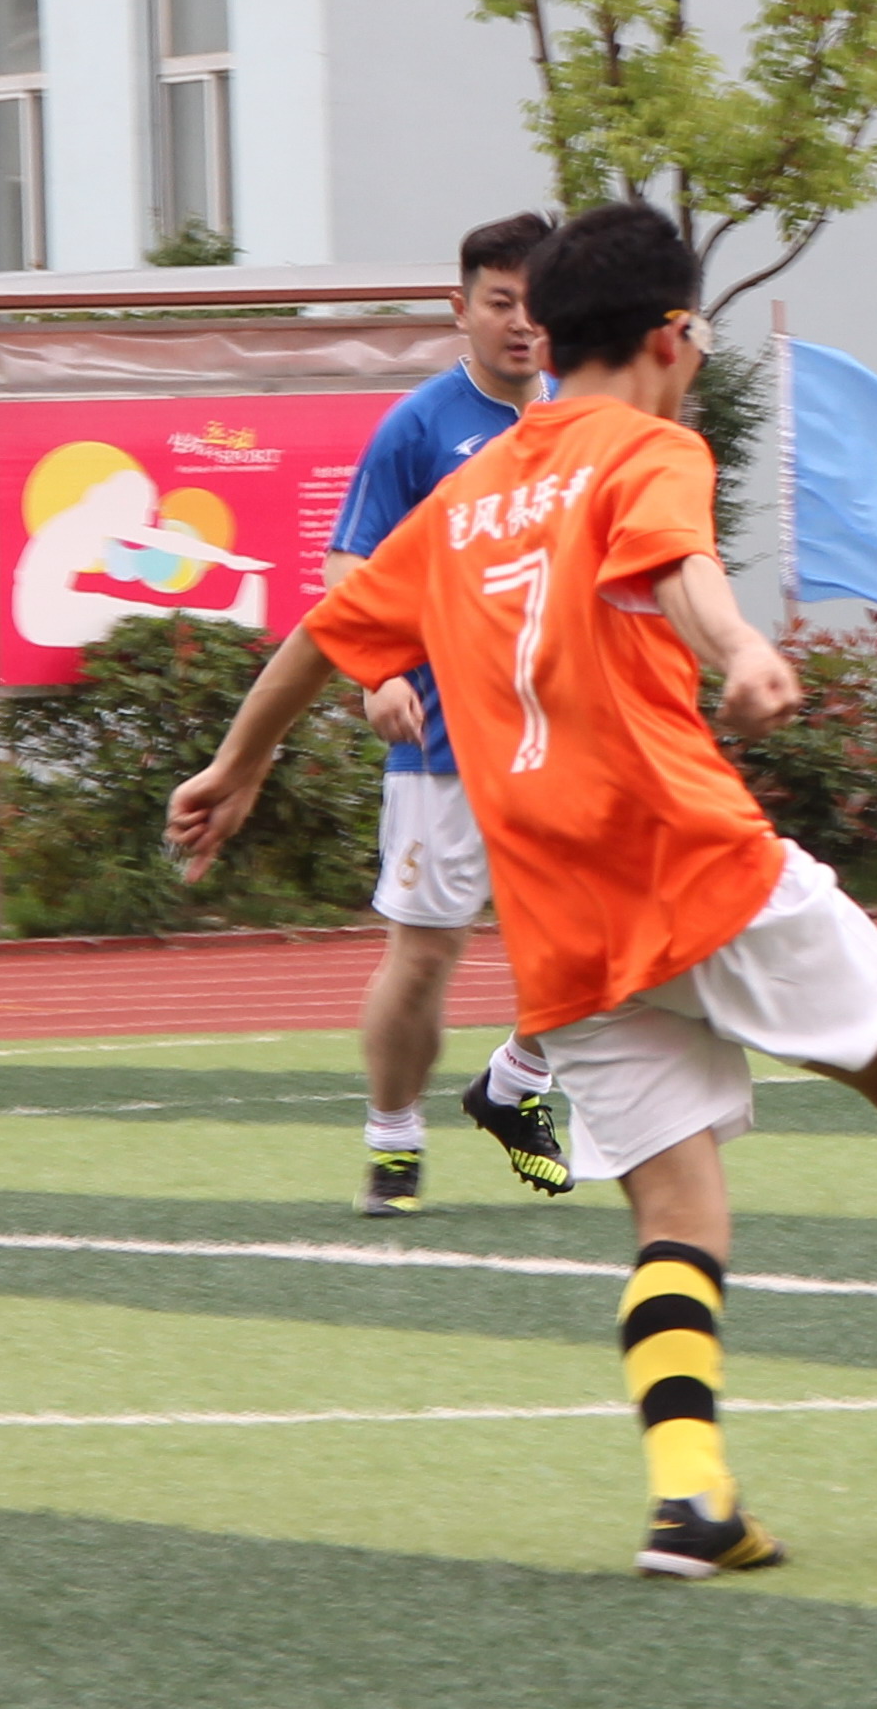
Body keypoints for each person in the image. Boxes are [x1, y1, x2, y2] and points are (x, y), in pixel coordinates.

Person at [168, 200, 877, 1579]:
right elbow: (678, 565)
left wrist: (235, 765)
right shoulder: (650, 447)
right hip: (691, 857)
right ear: (673, 336)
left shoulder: (466, 496)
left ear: (550, 333)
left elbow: (323, 635)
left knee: (677, 1209)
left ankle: (692, 1497)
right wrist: (740, 647)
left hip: (556, 916)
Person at [325, 211, 571, 1216]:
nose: (521, 324)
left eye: (536, 304)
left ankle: (513, 1083)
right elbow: (351, 564)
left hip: (564, 736)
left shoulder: (582, 420)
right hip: (444, 741)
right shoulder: (420, 427)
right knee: (427, 951)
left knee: (604, 935)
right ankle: (393, 1139)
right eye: (500, 302)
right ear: (459, 308)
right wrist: (376, 673)